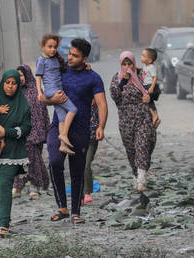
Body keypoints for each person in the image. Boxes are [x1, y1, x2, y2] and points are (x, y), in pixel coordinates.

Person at [40, 38, 108, 225]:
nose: (69, 57)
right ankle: (62, 206)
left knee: (77, 171)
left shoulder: (93, 78)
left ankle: (76, 212)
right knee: (54, 162)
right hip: (58, 126)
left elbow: (102, 104)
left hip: (81, 130)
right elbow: (44, 93)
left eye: (75, 56)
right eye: (69, 53)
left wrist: (101, 126)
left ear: (84, 59)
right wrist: (49, 100)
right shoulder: (60, 71)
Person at [0, 69, 31, 236]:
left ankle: (4, 224)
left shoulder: (23, 105)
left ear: (18, 85)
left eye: (14, 83)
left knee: (3, 184)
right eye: (7, 83)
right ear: (2, 83)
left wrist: (6, 132)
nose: (10, 86)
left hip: (13, 152)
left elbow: (26, 128)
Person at [110, 51, 156, 192]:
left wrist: (150, 97)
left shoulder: (142, 76)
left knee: (143, 146)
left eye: (129, 63)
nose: (127, 67)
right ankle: (137, 175)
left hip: (143, 118)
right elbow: (115, 96)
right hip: (126, 121)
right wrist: (124, 80)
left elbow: (154, 89)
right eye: (124, 64)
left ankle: (142, 181)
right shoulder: (116, 79)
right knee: (132, 151)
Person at [12, 64, 50, 199]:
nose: (19, 78)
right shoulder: (15, 91)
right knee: (19, 160)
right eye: (18, 75)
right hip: (20, 132)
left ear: (27, 75)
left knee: (34, 160)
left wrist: (45, 130)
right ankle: (18, 186)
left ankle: (35, 186)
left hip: (36, 132)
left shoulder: (36, 90)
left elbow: (42, 112)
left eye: (21, 75)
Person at [36, 34, 77, 155]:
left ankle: (63, 145)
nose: (53, 49)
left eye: (55, 47)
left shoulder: (56, 59)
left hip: (57, 88)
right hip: (52, 90)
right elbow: (38, 77)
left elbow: (67, 68)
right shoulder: (42, 60)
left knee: (62, 116)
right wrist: (40, 92)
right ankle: (63, 135)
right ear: (43, 47)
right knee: (73, 109)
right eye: (49, 47)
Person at [82, 99, 99, 205]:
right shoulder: (78, 103)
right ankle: (81, 192)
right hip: (77, 137)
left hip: (91, 139)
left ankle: (87, 192)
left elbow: (99, 126)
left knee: (86, 165)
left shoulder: (97, 108)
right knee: (79, 166)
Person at [139, 48, 161, 127]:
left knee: (147, 101)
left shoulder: (151, 67)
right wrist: (138, 68)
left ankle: (154, 115)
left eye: (143, 56)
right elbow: (144, 70)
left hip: (150, 85)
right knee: (149, 101)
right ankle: (155, 116)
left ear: (150, 60)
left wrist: (152, 87)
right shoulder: (146, 66)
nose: (141, 57)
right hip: (146, 86)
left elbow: (155, 77)